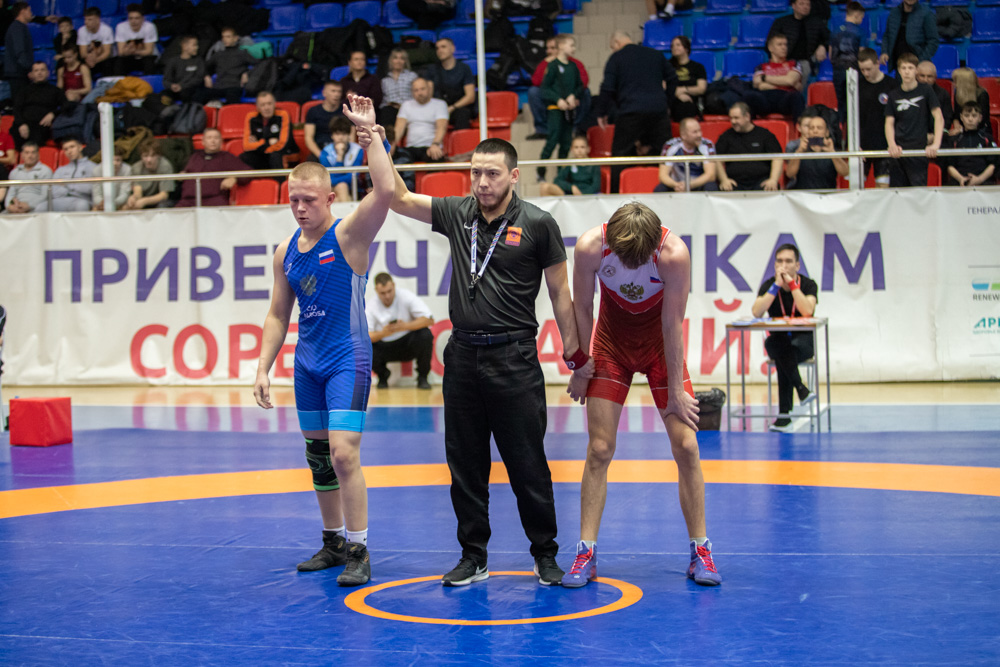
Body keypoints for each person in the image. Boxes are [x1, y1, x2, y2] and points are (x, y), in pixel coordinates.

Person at [368, 129, 591, 587]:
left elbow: (560, 294)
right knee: (465, 465)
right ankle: (473, 556)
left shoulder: (538, 223)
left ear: (514, 176)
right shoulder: (458, 212)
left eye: (492, 174)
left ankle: (545, 553)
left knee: (527, 463)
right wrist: (375, 141)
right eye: (475, 173)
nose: (482, 182)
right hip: (463, 355)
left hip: (514, 356)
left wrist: (576, 358)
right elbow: (398, 198)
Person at [254, 94, 394, 587]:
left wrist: (370, 137)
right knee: (318, 459)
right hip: (307, 363)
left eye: (308, 200)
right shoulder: (285, 252)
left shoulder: (350, 235)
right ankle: (333, 541)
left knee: (344, 454)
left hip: (346, 359)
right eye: (293, 199)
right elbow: (278, 314)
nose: (299, 208)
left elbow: (386, 189)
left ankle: (359, 547)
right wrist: (262, 366)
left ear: (330, 199)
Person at [561, 201, 720, 589]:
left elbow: (672, 324)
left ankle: (701, 550)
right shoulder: (590, 247)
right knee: (600, 448)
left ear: (652, 247)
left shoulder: (673, 255)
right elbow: (583, 306)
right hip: (611, 344)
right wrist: (581, 364)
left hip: (659, 347)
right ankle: (585, 552)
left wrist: (677, 391)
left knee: (687, 446)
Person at [595, 31, 678, 193]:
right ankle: (668, 191)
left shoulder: (616, 58)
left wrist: (601, 112)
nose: (613, 50)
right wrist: (667, 102)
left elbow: (608, 87)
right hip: (658, 112)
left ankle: (616, 195)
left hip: (630, 112)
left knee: (620, 156)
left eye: (612, 47)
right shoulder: (655, 54)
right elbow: (673, 79)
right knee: (664, 154)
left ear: (617, 43)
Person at [752, 243, 817, 432]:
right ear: (774, 265)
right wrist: (776, 286)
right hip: (779, 341)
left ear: (797, 265)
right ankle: (801, 389)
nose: (784, 265)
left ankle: (784, 416)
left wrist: (792, 285)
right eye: (779, 261)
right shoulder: (769, 286)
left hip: (803, 342)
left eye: (788, 261)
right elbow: (756, 311)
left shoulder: (808, 284)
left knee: (784, 356)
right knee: (775, 344)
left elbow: (807, 310)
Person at [366, 272, 435, 390]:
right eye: (383, 293)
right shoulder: (371, 306)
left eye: (389, 291)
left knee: (425, 334)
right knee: (363, 346)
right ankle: (382, 375)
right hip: (385, 347)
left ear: (394, 285)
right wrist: (384, 333)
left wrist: (404, 326)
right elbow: (366, 336)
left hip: (407, 344)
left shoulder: (406, 296)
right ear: (376, 290)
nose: (387, 296)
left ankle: (423, 377)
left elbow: (429, 320)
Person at [885, 53, 942, 188]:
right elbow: (889, 122)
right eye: (903, 68)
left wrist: (936, 144)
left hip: (918, 151)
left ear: (916, 70)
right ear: (899, 70)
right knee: (897, 193)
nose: (907, 72)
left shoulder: (926, 90)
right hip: (898, 152)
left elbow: (938, 117)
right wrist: (892, 144)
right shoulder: (893, 95)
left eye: (910, 68)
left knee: (918, 193)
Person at [537, 34, 584, 182]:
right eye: (571, 45)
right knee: (553, 139)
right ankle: (541, 172)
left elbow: (580, 86)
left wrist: (573, 96)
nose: (574, 48)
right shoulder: (552, 66)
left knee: (566, 143)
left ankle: (560, 175)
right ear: (562, 46)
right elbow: (544, 88)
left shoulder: (573, 67)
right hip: (555, 109)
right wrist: (557, 99)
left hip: (569, 111)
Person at [175, 128, 252, 207]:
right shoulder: (195, 156)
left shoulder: (227, 157)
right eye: (209, 138)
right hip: (188, 201)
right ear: (203, 142)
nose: (213, 141)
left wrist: (234, 178)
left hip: (214, 200)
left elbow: (249, 172)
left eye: (216, 138)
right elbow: (184, 172)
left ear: (221, 141)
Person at [715, 102, 783, 191]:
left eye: (736, 118)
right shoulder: (725, 136)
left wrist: (773, 180)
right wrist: (724, 180)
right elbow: (716, 159)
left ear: (747, 116)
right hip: (734, 183)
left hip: (761, 182)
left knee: (771, 188)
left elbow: (777, 158)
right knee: (724, 188)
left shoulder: (765, 135)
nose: (733, 121)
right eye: (731, 118)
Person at [857, 48, 897, 188]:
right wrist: (853, 143)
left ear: (877, 64)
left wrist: (893, 143)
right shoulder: (856, 86)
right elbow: (850, 117)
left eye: (868, 69)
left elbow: (897, 118)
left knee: (883, 190)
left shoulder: (892, 85)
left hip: (885, 146)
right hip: (861, 146)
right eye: (862, 70)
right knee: (856, 189)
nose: (866, 73)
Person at [767, 0, 828, 82]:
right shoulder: (781, 22)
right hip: (783, 61)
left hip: (805, 61)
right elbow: (770, 42)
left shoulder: (817, 23)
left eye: (808, 4)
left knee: (803, 68)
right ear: (793, 6)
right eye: (801, 4)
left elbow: (828, 38)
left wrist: (822, 46)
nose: (805, 7)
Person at [239, 91, 298, 175]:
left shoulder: (283, 115)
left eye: (269, 104)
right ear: (257, 107)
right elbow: (246, 146)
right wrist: (267, 142)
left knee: (275, 156)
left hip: (283, 153)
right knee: (244, 157)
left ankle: (281, 182)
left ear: (274, 104)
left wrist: (258, 145)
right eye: (263, 105)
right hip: (262, 155)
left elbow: (282, 144)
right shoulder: (251, 117)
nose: (266, 108)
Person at [750, 34, 806, 121]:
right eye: (780, 44)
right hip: (766, 100)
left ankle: (800, 128)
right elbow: (758, 84)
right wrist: (784, 83)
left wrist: (764, 78)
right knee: (749, 96)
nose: (784, 47)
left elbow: (790, 80)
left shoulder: (794, 64)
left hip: (785, 99)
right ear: (770, 48)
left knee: (797, 97)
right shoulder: (761, 67)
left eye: (785, 45)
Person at [424, 37, 476, 130]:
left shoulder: (464, 68)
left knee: (463, 113)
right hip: (437, 109)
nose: (440, 50)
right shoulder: (432, 69)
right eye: (437, 48)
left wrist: (452, 108)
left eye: (443, 47)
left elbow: (470, 96)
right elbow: (428, 95)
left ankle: (461, 139)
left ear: (452, 48)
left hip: (457, 108)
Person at [785, 113, 847, 189]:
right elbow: (790, 174)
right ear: (808, 132)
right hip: (803, 194)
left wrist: (832, 152)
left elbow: (845, 172)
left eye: (819, 128)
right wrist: (799, 151)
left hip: (827, 194)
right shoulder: (799, 150)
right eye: (812, 128)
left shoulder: (833, 151)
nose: (815, 131)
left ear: (827, 132)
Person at [393, 77, 448, 163]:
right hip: (410, 149)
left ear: (429, 89)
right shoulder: (406, 105)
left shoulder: (440, 104)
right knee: (392, 158)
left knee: (436, 157)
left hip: (430, 147)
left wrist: (435, 144)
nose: (420, 93)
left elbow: (441, 127)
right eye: (416, 90)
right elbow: (399, 128)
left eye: (422, 89)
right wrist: (392, 146)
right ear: (412, 92)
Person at [656, 117, 718, 192]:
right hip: (677, 185)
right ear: (683, 135)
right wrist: (676, 185)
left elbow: (710, 175)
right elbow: (663, 176)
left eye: (699, 130)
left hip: (698, 184)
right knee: (660, 189)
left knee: (711, 186)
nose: (699, 135)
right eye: (695, 132)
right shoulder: (670, 146)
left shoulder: (707, 145)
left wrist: (689, 185)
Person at [12, 62, 64, 150]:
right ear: (31, 74)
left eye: (42, 70)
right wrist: (21, 124)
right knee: (14, 135)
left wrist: (53, 114)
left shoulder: (56, 91)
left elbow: (66, 106)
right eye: (36, 70)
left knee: (36, 139)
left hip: (42, 126)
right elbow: (17, 109)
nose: (39, 73)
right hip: (24, 124)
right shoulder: (24, 90)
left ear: (48, 73)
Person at [943, 102, 996, 187]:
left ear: (980, 118)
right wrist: (961, 179)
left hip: (984, 183)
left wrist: (979, 179)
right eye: (966, 116)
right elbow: (949, 165)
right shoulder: (954, 140)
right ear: (961, 117)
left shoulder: (987, 138)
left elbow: (993, 164)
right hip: (959, 183)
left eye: (974, 116)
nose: (970, 119)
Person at [829, 2, 864, 128]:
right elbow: (862, 54)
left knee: (841, 102)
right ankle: (852, 131)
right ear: (856, 15)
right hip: (854, 71)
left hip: (838, 71)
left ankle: (840, 131)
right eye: (861, 17)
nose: (861, 20)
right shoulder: (860, 32)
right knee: (854, 103)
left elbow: (830, 54)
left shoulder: (835, 31)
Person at [203, 27, 256, 106]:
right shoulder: (218, 55)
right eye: (223, 37)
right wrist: (206, 76)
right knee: (199, 94)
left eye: (228, 37)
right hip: (219, 86)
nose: (225, 39)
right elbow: (202, 67)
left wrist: (248, 73)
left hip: (234, 86)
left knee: (232, 95)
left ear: (235, 38)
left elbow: (259, 65)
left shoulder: (242, 53)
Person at [880, 0, 938, 73]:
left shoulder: (926, 14)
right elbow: (887, 35)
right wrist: (885, 52)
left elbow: (933, 41)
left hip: (918, 66)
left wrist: (921, 61)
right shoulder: (894, 12)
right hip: (899, 65)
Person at [319, 116, 365, 202]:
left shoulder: (357, 150)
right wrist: (339, 157)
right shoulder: (325, 153)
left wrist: (336, 181)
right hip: (331, 188)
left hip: (353, 188)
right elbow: (328, 178)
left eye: (344, 134)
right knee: (341, 187)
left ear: (349, 135)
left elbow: (353, 177)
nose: (340, 137)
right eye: (337, 134)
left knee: (341, 188)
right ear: (332, 136)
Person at [125, 139, 176, 209]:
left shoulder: (165, 166)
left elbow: (164, 195)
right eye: (145, 156)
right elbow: (138, 191)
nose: (149, 160)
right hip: (144, 198)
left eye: (152, 156)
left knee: (162, 205)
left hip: (161, 201)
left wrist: (144, 201)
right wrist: (134, 198)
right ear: (141, 156)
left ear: (158, 155)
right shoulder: (136, 167)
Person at [3, 141, 53, 214]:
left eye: (33, 152)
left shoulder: (46, 171)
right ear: (22, 155)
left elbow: (45, 196)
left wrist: (29, 205)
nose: (30, 156)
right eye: (27, 153)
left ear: (38, 155)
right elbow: (11, 194)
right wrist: (9, 206)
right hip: (16, 206)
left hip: (37, 207)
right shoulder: (15, 172)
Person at [50, 136, 96, 212]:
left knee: (82, 205)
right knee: (41, 207)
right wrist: (77, 186)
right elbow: (54, 192)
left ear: (80, 147)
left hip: (82, 200)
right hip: (61, 200)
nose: (69, 151)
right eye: (66, 149)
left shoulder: (92, 167)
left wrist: (67, 184)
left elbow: (89, 188)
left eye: (72, 147)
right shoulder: (60, 170)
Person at [668, 36, 707, 123]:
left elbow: (701, 88)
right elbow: (662, 84)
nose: (674, 48)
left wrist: (683, 89)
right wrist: (677, 94)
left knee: (685, 106)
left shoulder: (698, 67)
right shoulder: (667, 66)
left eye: (678, 45)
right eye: (672, 46)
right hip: (670, 98)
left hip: (690, 100)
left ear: (686, 48)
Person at [303, 81, 345, 162]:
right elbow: (308, 138)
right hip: (320, 150)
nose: (337, 94)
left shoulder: (346, 111)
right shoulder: (313, 111)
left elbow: (351, 137)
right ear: (324, 93)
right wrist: (322, 156)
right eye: (333, 91)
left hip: (341, 149)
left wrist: (342, 154)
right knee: (310, 161)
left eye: (339, 91)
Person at [113, 4, 159, 75]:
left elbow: (149, 51)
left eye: (137, 18)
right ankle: (119, 81)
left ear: (142, 19)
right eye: (131, 18)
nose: (133, 21)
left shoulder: (149, 27)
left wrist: (133, 51)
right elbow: (121, 52)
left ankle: (149, 81)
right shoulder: (121, 27)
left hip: (145, 57)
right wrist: (129, 51)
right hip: (129, 58)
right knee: (119, 62)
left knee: (149, 62)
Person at [2, 3, 34, 101]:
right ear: (23, 11)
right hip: (18, 74)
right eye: (29, 10)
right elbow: (20, 52)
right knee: (20, 103)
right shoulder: (17, 28)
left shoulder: (19, 27)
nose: (31, 13)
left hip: (19, 73)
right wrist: (29, 70)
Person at [379, 48, 417, 129]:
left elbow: (417, 95)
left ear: (405, 61)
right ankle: (389, 135)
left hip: (408, 109)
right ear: (391, 61)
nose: (398, 61)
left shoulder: (412, 76)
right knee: (386, 111)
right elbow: (383, 101)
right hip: (390, 111)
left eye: (402, 58)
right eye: (395, 58)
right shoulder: (385, 81)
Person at [163, 35, 206, 103]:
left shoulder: (199, 61)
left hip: (190, 90)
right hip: (175, 90)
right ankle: (168, 109)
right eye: (194, 45)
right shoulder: (173, 61)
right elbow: (166, 80)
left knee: (190, 94)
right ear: (185, 46)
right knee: (163, 95)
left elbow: (198, 79)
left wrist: (182, 86)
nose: (197, 47)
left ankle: (187, 109)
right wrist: (171, 86)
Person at [951, 68, 991, 136]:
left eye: (955, 81)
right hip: (963, 129)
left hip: (980, 130)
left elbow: (982, 119)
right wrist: (956, 122)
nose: (953, 84)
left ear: (963, 82)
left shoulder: (982, 95)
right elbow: (957, 114)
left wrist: (962, 129)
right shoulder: (958, 93)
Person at [91, 146, 132, 211]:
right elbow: (96, 195)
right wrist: (102, 203)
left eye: (118, 160)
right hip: (102, 204)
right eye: (112, 160)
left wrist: (113, 203)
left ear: (122, 160)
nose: (115, 163)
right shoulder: (97, 170)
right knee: (95, 209)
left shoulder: (127, 169)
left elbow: (125, 193)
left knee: (126, 207)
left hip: (120, 203)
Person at [78, 7, 114, 79]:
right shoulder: (82, 30)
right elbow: (83, 53)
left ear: (97, 20)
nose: (86, 22)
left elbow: (107, 52)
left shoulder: (106, 30)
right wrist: (89, 59)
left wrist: (96, 60)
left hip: (102, 59)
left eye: (90, 20)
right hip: (89, 60)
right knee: (81, 64)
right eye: (85, 19)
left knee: (108, 63)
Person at [916, 61, 953, 132]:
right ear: (916, 76)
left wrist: (935, 135)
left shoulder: (943, 94)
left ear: (935, 77)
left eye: (929, 76)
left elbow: (947, 119)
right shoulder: (909, 93)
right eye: (922, 76)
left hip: (937, 134)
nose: (925, 80)